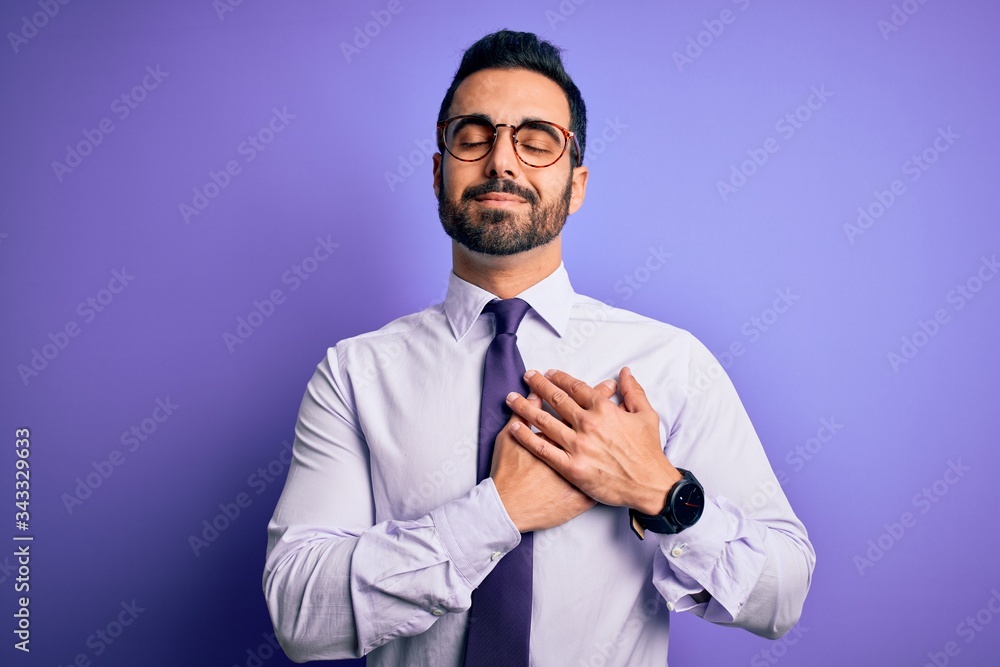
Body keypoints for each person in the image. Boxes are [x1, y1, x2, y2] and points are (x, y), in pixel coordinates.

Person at [263, 29, 814, 667]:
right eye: (474, 136)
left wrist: (661, 491)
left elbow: (783, 596)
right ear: (440, 173)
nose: (502, 161)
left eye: (536, 141)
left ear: (576, 185)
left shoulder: (670, 363)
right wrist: (495, 513)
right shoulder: (354, 374)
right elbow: (299, 614)